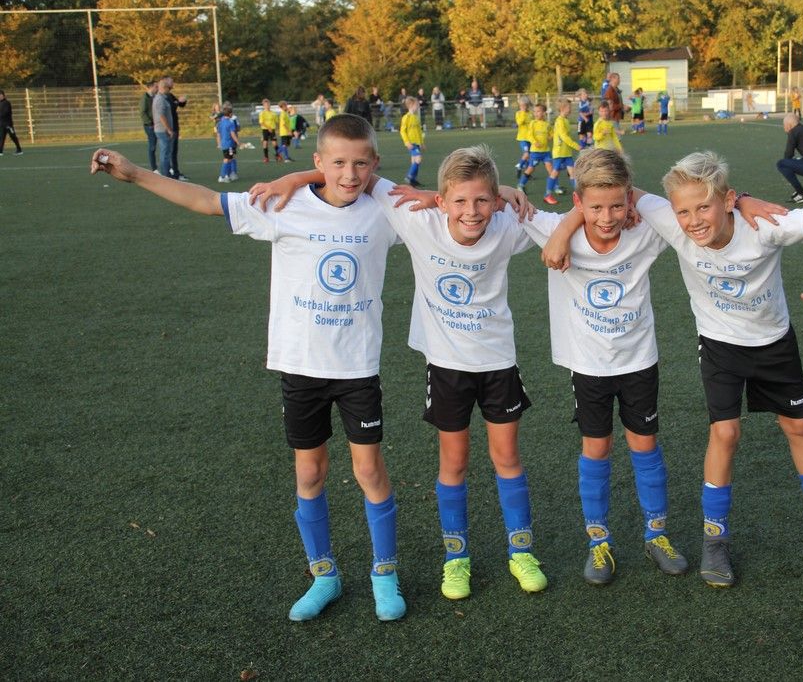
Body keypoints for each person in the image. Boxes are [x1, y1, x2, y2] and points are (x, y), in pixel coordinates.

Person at [90, 113, 408, 623]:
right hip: (300, 366)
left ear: (375, 164)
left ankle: (384, 575)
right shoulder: (285, 206)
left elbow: (448, 199)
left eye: (361, 164)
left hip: (356, 368)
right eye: (337, 163)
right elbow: (205, 201)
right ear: (319, 161)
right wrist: (134, 174)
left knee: (369, 470)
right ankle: (324, 574)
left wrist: (505, 192)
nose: (349, 174)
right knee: (310, 472)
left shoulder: (385, 211)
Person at [256, 145, 549, 601]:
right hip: (447, 366)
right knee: (453, 463)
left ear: (494, 202)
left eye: (482, 201)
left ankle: (522, 552)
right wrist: (294, 179)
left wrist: (511, 194)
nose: (472, 211)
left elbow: (565, 224)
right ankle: (456, 558)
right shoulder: (418, 218)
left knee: (507, 458)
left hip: (498, 362)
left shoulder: (509, 222)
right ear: (442, 201)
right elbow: (357, 177)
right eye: (460, 201)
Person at [628, 150, 803, 587]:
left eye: (703, 207)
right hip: (720, 345)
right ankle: (714, 540)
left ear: (725, 201)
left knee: (798, 427)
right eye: (683, 211)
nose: (692, 220)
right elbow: (617, 189)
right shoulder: (672, 219)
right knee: (725, 433)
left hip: (774, 343)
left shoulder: (762, 225)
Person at [521, 148, 689, 584]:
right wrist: (564, 229)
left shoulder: (647, 228)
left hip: (639, 360)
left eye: (617, 205)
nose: (607, 217)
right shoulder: (556, 230)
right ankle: (598, 542)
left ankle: (657, 535)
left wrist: (632, 202)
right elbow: (502, 198)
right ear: (578, 202)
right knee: (596, 448)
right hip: (588, 365)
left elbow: (688, 203)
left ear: (630, 199)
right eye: (595, 207)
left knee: (645, 446)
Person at [518, 103, 557, 204]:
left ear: (544, 113)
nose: (536, 113)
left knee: (551, 169)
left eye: (538, 111)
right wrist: (535, 142)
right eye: (534, 111)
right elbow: (529, 135)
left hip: (546, 152)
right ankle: (520, 185)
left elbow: (552, 133)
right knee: (531, 169)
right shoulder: (533, 123)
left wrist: (551, 136)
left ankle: (554, 187)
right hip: (535, 152)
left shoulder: (547, 124)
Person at [549, 97, 581, 204]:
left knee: (573, 173)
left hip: (567, 153)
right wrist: (576, 146)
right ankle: (547, 195)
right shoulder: (559, 121)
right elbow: (564, 137)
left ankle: (579, 195)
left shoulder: (566, 120)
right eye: (569, 107)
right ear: (563, 108)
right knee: (554, 173)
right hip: (559, 153)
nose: (570, 109)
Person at [162, 77, 188, 181]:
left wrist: (182, 101)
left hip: (174, 126)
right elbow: (170, 107)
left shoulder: (170, 95)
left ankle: (175, 171)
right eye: (171, 81)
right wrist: (177, 102)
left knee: (173, 151)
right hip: (170, 127)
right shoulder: (163, 96)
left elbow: (178, 104)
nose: (173, 83)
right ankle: (171, 172)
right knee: (170, 151)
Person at [400, 96, 424, 187]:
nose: (418, 106)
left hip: (417, 142)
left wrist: (421, 142)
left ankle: (413, 180)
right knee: (418, 159)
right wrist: (407, 142)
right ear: (411, 105)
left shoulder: (416, 117)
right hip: (411, 143)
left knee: (414, 161)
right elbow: (402, 131)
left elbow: (419, 131)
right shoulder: (406, 117)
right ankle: (409, 176)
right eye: (417, 105)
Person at [152, 80, 175, 176]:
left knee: (166, 153)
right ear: (164, 88)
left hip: (162, 129)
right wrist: (169, 129)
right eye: (168, 88)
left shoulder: (162, 98)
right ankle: (165, 175)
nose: (169, 90)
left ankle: (166, 173)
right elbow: (161, 116)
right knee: (165, 153)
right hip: (162, 130)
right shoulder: (160, 99)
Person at [216, 101, 239, 183]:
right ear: (230, 114)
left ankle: (228, 175)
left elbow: (218, 134)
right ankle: (222, 176)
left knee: (230, 158)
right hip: (229, 144)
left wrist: (219, 143)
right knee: (227, 159)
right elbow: (233, 134)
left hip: (224, 144)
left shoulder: (220, 122)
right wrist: (238, 142)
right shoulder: (230, 122)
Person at [140, 80, 158, 170]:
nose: (157, 88)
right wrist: (150, 123)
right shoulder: (145, 98)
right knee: (152, 146)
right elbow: (143, 112)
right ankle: (154, 168)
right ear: (150, 87)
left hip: (157, 124)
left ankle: (168, 167)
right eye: (156, 87)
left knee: (164, 145)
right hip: (150, 126)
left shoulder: (155, 97)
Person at [514, 95, 532, 179]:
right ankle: (520, 166)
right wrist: (523, 113)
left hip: (531, 138)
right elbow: (519, 123)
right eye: (521, 105)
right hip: (523, 138)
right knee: (526, 154)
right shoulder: (518, 113)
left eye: (525, 105)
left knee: (530, 156)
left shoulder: (530, 114)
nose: (523, 107)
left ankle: (527, 173)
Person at [258, 99, 278, 163]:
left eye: (268, 104)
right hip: (265, 129)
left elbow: (276, 121)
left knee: (274, 143)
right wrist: (268, 128)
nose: (267, 106)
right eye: (266, 105)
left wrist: (277, 128)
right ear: (263, 106)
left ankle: (277, 155)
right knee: (265, 143)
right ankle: (266, 157)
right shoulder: (262, 113)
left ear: (270, 105)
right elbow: (261, 122)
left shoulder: (273, 113)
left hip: (272, 129)